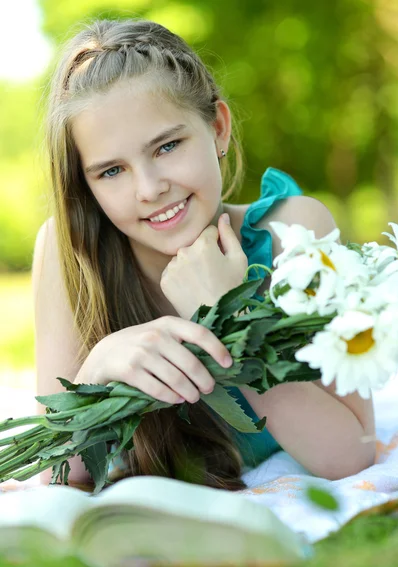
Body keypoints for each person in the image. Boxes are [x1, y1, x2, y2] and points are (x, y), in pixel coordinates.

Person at [32, 17, 376, 492]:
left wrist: (232, 319)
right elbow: (59, 472)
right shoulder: (70, 253)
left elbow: (351, 453)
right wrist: (95, 369)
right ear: (86, 186)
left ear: (218, 127)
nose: (150, 189)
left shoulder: (293, 234)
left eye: (167, 146)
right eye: (111, 171)